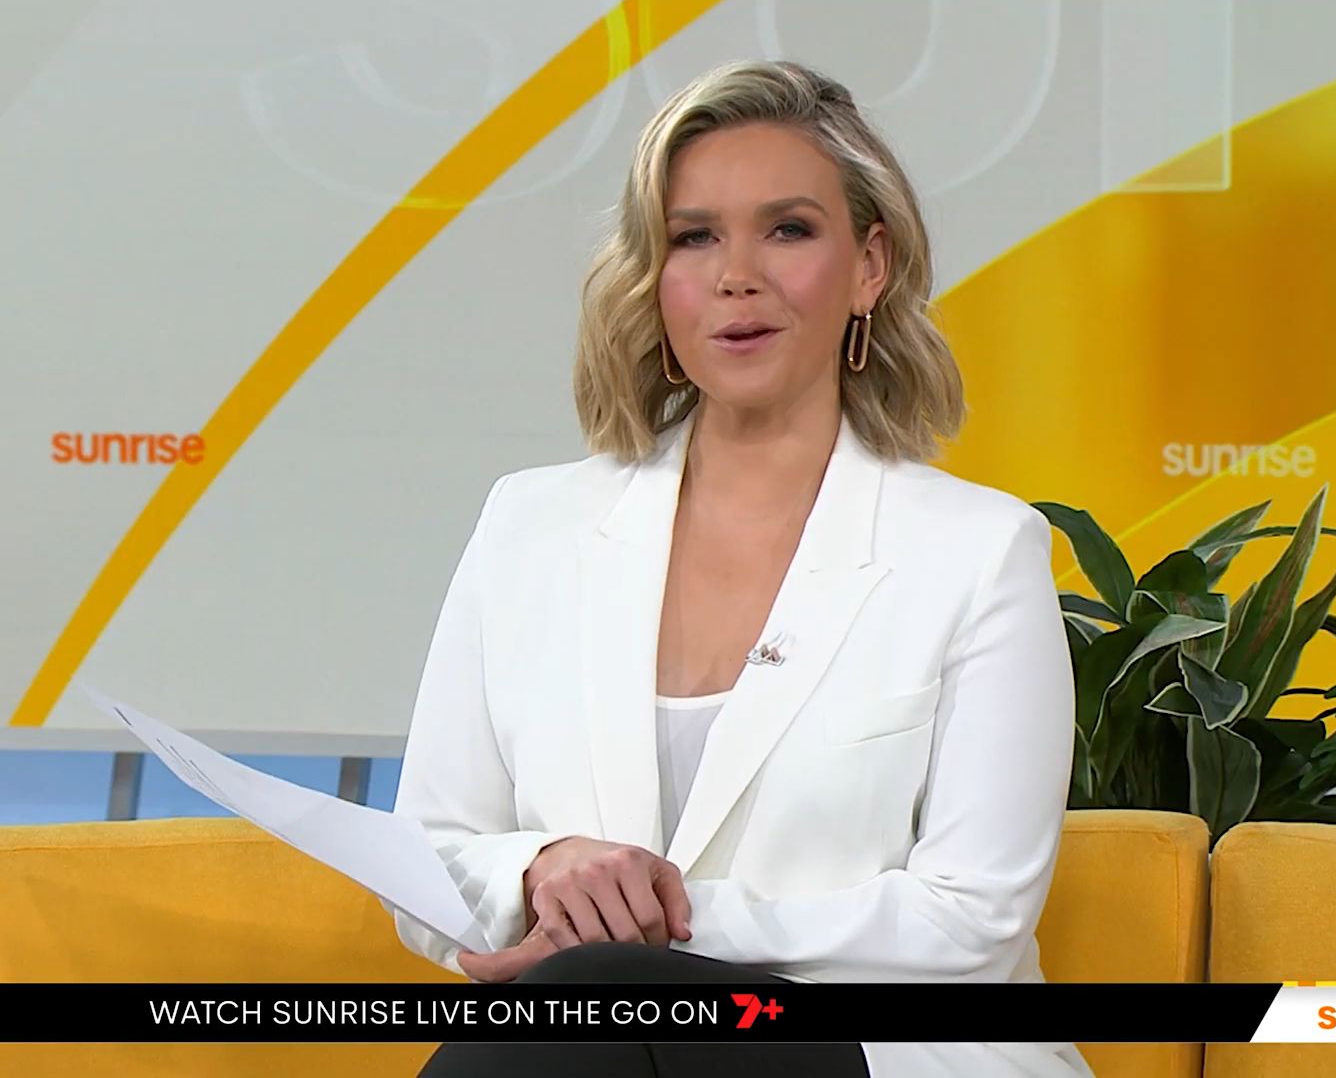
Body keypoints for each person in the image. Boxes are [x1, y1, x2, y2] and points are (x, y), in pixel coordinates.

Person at [390, 58, 1086, 1078]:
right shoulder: (529, 526)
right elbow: (427, 862)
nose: (736, 275)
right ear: (655, 277)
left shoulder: (980, 551)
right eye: (694, 237)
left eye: (788, 230)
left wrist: (655, 924)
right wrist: (542, 873)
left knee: (599, 998)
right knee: (595, 1011)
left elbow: (969, 922)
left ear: (870, 266)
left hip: (884, 1053)